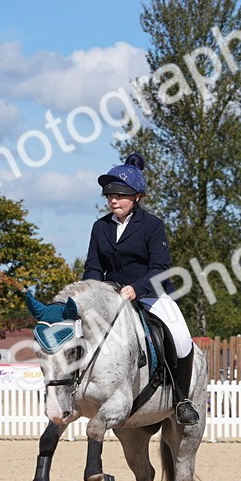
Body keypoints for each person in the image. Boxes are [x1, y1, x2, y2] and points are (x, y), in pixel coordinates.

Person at [83, 153, 199, 426]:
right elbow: (93, 267)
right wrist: (92, 293)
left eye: (120, 195)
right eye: (109, 195)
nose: (113, 200)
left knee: (181, 337)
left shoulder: (152, 225)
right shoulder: (100, 227)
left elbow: (160, 267)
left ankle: (181, 399)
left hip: (151, 294)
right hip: (111, 297)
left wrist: (136, 288)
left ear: (137, 197)